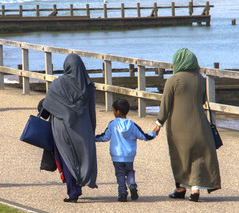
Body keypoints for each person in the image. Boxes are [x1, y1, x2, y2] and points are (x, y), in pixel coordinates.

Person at [154, 48, 221, 202]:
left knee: (179, 155)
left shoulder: (173, 80)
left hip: (177, 126)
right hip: (200, 124)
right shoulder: (201, 79)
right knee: (198, 156)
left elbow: (165, 104)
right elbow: (203, 100)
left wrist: (158, 123)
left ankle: (180, 188)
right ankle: (195, 190)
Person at [42, 53, 97, 203]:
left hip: (61, 127)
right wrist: (92, 129)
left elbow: (46, 106)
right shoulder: (88, 86)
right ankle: (81, 182)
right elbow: (91, 111)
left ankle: (73, 190)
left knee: (67, 157)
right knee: (82, 157)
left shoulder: (57, 84)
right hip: (82, 128)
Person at [95, 99, 156, 202]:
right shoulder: (132, 124)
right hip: (129, 156)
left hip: (117, 156)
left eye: (113, 110)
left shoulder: (113, 124)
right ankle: (132, 185)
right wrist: (154, 133)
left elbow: (105, 137)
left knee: (120, 174)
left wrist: (92, 138)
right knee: (130, 171)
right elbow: (143, 136)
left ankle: (122, 193)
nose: (113, 112)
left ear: (118, 111)